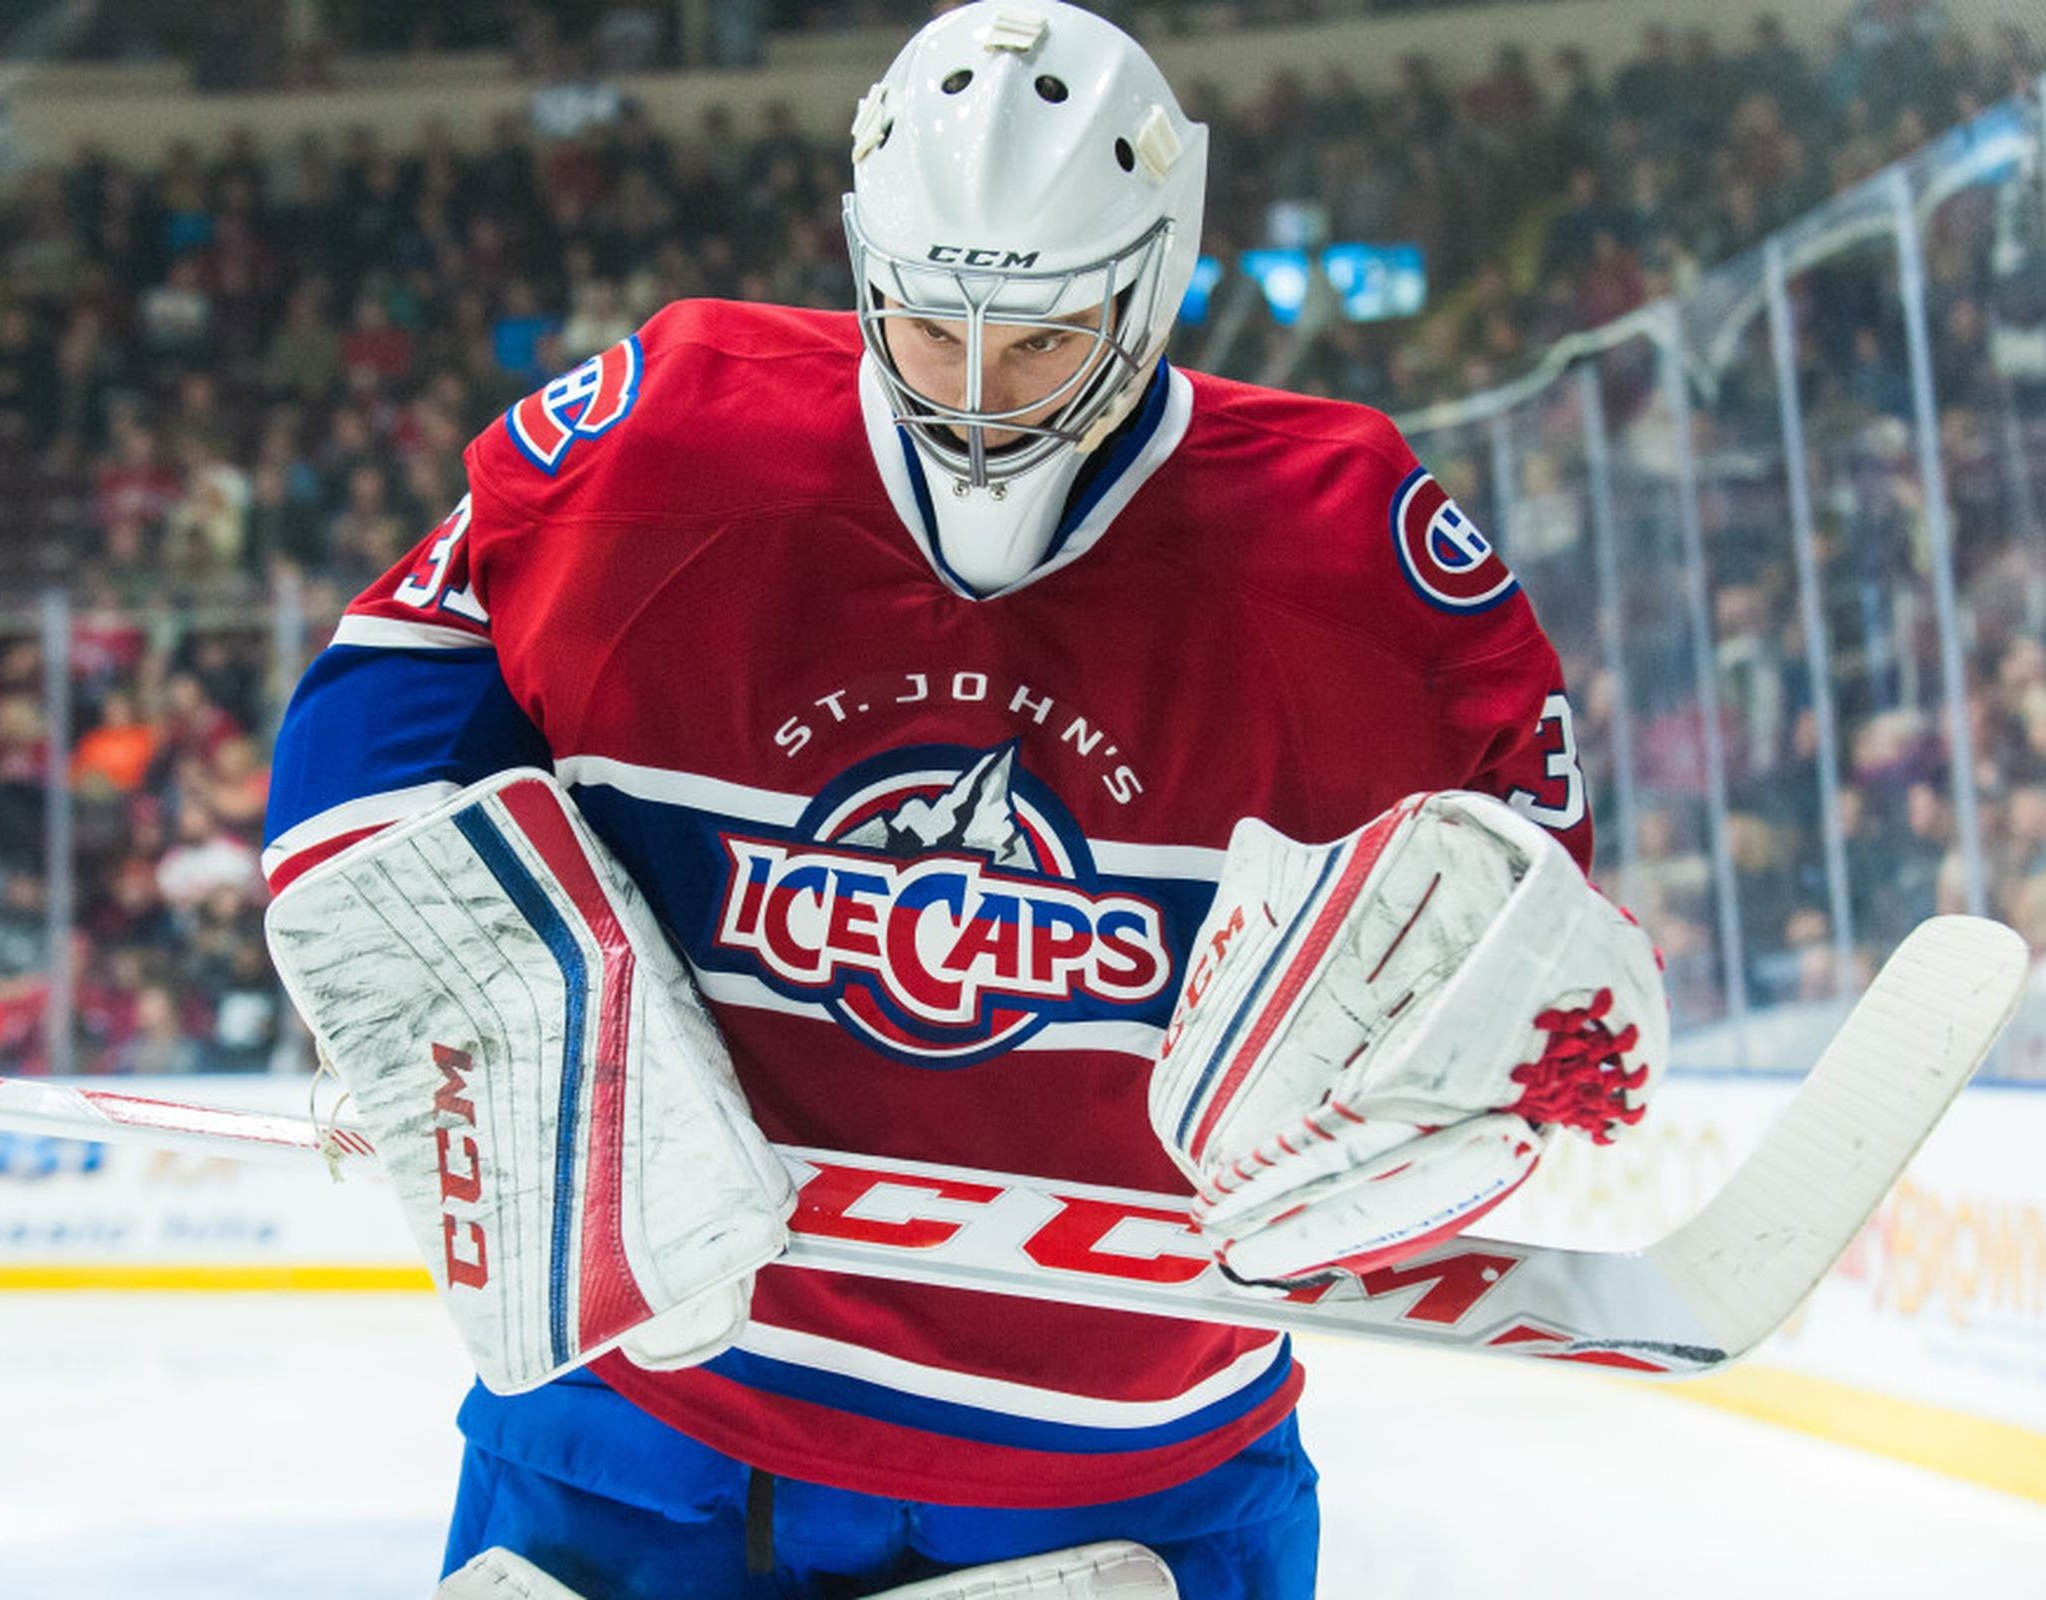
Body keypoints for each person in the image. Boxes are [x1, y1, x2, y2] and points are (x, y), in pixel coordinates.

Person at [262, 5, 1660, 1596]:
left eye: (1046, 336)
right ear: (866, 264)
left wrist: (1477, 1059)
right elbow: (384, 694)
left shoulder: (1353, 550)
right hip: (651, 1427)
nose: (981, 392)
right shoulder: (668, 431)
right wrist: (455, 993)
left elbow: (1525, 887)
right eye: (932, 329)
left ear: (1153, 276)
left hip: (1117, 1476)